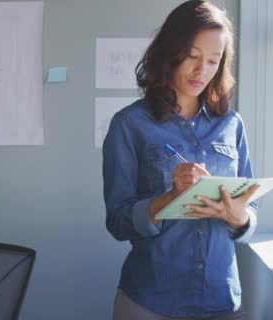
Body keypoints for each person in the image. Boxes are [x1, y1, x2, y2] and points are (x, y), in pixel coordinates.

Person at [102, 1, 260, 319]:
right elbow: (117, 222)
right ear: (170, 51)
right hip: (150, 301)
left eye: (213, 61)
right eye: (192, 56)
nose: (202, 71)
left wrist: (239, 217)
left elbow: (250, 213)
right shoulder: (129, 124)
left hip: (222, 301)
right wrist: (169, 198)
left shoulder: (232, 125)